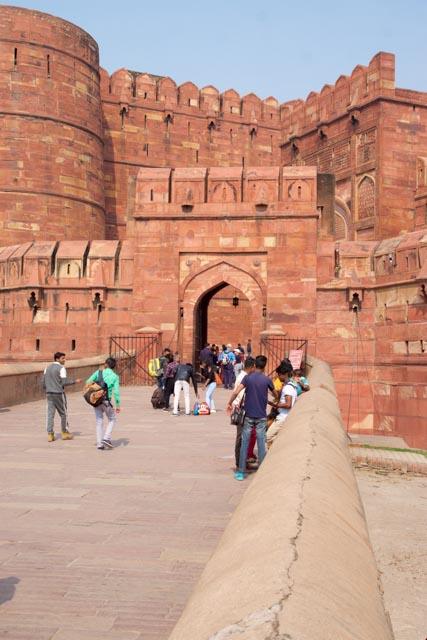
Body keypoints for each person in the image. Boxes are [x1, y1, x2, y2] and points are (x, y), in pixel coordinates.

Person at [227, 355, 277, 481]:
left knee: (244, 443)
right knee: (261, 444)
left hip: (248, 416)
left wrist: (229, 403)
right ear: (264, 366)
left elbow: (236, 392)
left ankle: (241, 472)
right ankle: (261, 473)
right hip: (261, 416)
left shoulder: (247, 378)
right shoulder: (267, 379)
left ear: (255, 365)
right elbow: (275, 394)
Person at [43, 351, 81, 442]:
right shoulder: (61, 368)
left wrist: (48, 389)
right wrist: (75, 381)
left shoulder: (47, 368)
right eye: (63, 358)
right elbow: (64, 382)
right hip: (59, 394)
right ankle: (64, 432)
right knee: (63, 413)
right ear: (57, 359)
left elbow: (43, 382)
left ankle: (50, 434)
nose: (64, 360)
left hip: (49, 393)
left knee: (50, 414)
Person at [86, 357, 121, 450]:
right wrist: (118, 405)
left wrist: (96, 388)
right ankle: (106, 437)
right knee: (112, 419)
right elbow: (116, 392)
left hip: (97, 400)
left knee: (99, 420)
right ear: (114, 366)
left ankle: (99, 444)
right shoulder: (115, 377)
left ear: (106, 364)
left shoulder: (98, 372)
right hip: (106, 401)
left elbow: (88, 382)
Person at [231, 356, 256, 469]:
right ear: (252, 367)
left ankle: (241, 461)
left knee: (243, 437)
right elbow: (241, 396)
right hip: (242, 410)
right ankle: (240, 463)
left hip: (240, 409)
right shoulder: (244, 378)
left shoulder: (243, 376)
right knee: (241, 437)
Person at [266, 362, 298, 448]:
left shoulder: (288, 388)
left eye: (280, 375)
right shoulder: (290, 385)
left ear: (286, 374)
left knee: (267, 437)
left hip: (283, 417)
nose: (278, 377)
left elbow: (288, 404)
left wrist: (276, 405)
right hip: (283, 416)